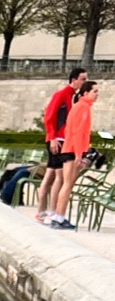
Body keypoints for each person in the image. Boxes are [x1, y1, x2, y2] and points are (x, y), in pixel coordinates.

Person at [37, 65, 87, 222]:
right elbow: (49, 116)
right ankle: (51, 212)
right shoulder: (63, 94)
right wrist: (52, 137)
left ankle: (42, 212)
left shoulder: (71, 96)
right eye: (83, 79)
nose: (84, 82)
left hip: (59, 139)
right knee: (58, 176)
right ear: (74, 80)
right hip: (58, 140)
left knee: (51, 174)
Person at [51, 79, 99, 226]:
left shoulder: (79, 106)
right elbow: (79, 133)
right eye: (95, 91)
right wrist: (80, 154)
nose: (97, 95)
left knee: (67, 184)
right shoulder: (83, 108)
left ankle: (58, 217)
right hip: (73, 150)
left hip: (70, 148)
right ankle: (58, 217)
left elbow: (71, 130)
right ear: (86, 93)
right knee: (68, 184)